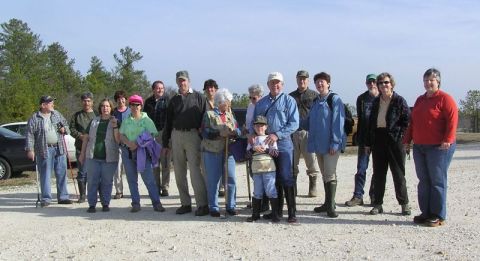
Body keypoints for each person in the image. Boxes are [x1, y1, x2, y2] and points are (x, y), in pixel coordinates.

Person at [403, 68, 458, 227]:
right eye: (426, 80)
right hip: (420, 146)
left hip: (439, 147)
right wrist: (407, 140)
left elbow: (452, 121)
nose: (428, 83)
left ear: (438, 82)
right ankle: (425, 212)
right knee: (424, 180)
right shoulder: (420, 100)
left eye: (431, 80)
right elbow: (413, 122)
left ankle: (438, 214)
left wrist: (448, 139)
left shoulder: (445, 99)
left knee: (437, 180)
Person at [249, 72, 299, 223]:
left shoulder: (289, 101)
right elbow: (254, 122)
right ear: (268, 85)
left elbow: (294, 123)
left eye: (278, 82)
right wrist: (251, 135)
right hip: (264, 146)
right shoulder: (261, 103)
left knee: (285, 177)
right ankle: (276, 212)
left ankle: (292, 213)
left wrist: (277, 134)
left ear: (282, 84)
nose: (275, 85)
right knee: (272, 179)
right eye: (272, 82)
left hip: (283, 145)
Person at [162, 70, 209, 216]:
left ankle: (202, 204)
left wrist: (205, 137)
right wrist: (165, 142)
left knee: (195, 170)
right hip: (176, 135)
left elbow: (206, 118)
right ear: (176, 82)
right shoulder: (173, 99)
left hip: (193, 135)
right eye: (179, 80)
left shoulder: (199, 97)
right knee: (179, 171)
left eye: (184, 80)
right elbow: (168, 122)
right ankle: (185, 203)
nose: (182, 83)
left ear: (188, 81)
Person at [365, 72, 411, 216]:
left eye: (386, 82)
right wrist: (368, 143)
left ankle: (404, 204)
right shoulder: (375, 102)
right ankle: (378, 204)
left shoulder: (399, 101)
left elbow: (407, 121)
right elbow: (370, 124)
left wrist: (401, 137)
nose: (383, 85)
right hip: (378, 139)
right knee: (378, 174)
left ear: (391, 84)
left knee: (398, 174)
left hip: (395, 141)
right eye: (380, 83)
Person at [304, 72, 346, 218]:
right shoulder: (316, 101)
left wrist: (335, 142)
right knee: (324, 174)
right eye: (317, 82)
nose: (320, 84)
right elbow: (310, 122)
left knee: (329, 173)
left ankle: (331, 206)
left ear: (328, 83)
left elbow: (338, 122)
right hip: (318, 145)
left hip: (330, 145)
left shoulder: (334, 99)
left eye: (322, 81)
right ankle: (328, 203)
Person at [119, 95, 165, 213]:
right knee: (131, 179)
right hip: (127, 152)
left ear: (141, 106)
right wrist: (129, 143)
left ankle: (156, 203)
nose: (135, 107)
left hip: (142, 152)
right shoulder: (126, 120)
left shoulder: (146, 120)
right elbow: (121, 135)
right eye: (132, 105)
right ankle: (135, 203)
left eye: (137, 105)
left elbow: (153, 134)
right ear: (129, 106)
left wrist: (138, 143)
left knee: (148, 179)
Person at [25, 95, 73, 207]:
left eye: (52, 102)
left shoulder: (57, 114)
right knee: (45, 174)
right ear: (43, 105)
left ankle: (63, 197)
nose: (53, 104)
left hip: (59, 147)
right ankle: (46, 198)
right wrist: (30, 149)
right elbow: (29, 135)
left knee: (62, 172)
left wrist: (64, 129)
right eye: (50, 103)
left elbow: (67, 127)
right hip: (44, 149)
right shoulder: (35, 118)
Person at [201, 88, 240, 217]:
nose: (229, 104)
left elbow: (237, 129)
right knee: (213, 180)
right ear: (221, 102)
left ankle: (231, 205)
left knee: (231, 178)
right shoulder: (209, 115)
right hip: (212, 151)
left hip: (228, 152)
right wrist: (219, 133)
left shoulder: (230, 115)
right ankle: (214, 207)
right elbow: (205, 132)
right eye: (228, 101)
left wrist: (235, 132)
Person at [78, 98, 120, 213]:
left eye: (107, 106)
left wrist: (115, 126)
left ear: (111, 108)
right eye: (103, 106)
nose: (105, 108)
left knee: (107, 182)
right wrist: (82, 154)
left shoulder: (115, 121)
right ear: (100, 108)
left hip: (109, 158)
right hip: (92, 157)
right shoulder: (93, 121)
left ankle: (105, 203)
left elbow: (118, 140)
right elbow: (86, 138)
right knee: (92, 181)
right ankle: (92, 204)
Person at [345, 74, 379, 207]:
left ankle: (374, 195)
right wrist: (361, 140)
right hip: (365, 139)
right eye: (369, 82)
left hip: (378, 140)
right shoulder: (362, 99)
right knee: (361, 169)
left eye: (374, 82)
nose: (372, 84)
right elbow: (361, 121)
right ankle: (358, 196)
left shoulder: (383, 97)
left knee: (378, 170)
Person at [289, 70, 320, 197]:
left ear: (308, 80)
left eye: (304, 79)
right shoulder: (290, 96)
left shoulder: (314, 95)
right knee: (292, 163)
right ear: (296, 80)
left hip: (308, 133)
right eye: (300, 78)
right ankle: (293, 188)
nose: (302, 81)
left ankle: (312, 187)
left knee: (311, 162)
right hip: (293, 133)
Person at [246, 115, 280, 223]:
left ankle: (275, 214)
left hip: (269, 169)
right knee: (257, 191)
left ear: (266, 127)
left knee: (271, 191)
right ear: (254, 127)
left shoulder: (270, 138)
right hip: (256, 170)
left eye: (262, 125)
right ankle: (255, 214)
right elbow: (246, 155)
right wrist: (253, 149)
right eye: (257, 125)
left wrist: (265, 150)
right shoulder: (252, 139)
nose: (259, 127)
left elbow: (276, 153)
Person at [144, 81, 171, 197]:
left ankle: (165, 187)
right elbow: (144, 118)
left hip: (164, 133)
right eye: (158, 88)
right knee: (154, 163)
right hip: (151, 134)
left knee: (166, 162)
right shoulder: (148, 102)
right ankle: (156, 186)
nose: (160, 90)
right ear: (153, 89)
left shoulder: (168, 101)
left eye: (162, 88)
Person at [70, 92, 97, 203]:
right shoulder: (77, 116)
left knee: (95, 172)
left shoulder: (97, 114)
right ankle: (82, 195)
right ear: (82, 102)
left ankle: (95, 194)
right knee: (82, 172)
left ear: (92, 102)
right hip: (81, 147)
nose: (86, 103)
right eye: (84, 100)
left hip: (95, 148)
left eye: (88, 100)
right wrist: (80, 136)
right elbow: (71, 129)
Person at [202, 79, 225, 197]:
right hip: (208, 139)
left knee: (222, 164)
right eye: (207, 87)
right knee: (209, 167)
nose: (210, 89)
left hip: (223, 139)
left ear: (216, 89)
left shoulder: (222, 100)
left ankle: (221, 187)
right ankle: (210, 189)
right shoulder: (202, 102)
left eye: (212, 87)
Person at [111, 90, 130, 199]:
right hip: (117, 144)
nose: (121, 101)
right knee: (117, 169)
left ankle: (133, 190)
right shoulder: (113, 112)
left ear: (125, 99)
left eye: (122, 98)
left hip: (129, 143)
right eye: (118, 99)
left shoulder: (130, 111)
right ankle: (119, 191)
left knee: (129, 169)